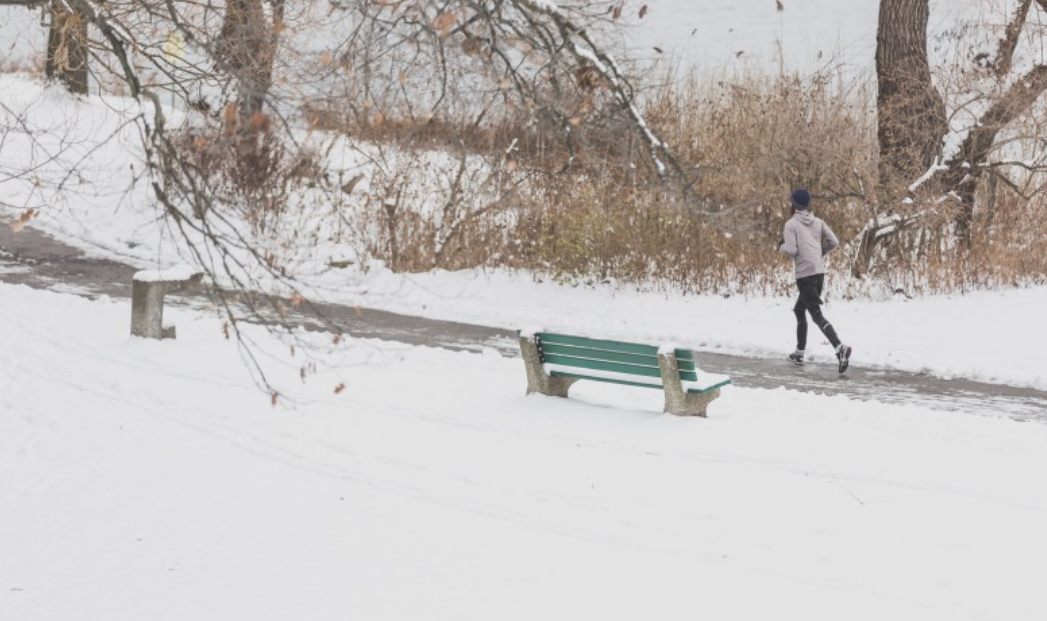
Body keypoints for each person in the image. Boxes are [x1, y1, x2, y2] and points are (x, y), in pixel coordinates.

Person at [778, 188, 852, 373]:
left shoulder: (791, 225)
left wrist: (781, 246)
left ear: (794, 204)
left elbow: (792, 250)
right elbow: (834, 241)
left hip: (805, 275)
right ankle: (799, 353)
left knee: (816, 315)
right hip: (819, 273)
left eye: (790, 202)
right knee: (799, 309)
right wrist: (819, 253)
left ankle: (839, 347)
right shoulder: (818, 222)